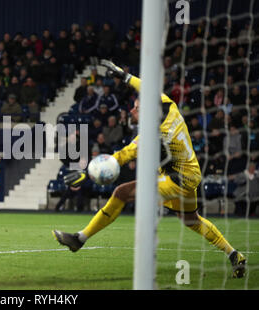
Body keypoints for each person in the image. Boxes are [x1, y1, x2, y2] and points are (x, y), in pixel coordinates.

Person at [53, 61, 246, 279]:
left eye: (136, 108)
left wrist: (87, 174)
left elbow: (125, 154)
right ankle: (234, 254)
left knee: (121, 193)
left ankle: (80, 239)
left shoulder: (156, 134)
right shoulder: (168, 105)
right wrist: (125, 76)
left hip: (177, 180)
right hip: (190, 173)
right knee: (192, 220)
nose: (132, 110)